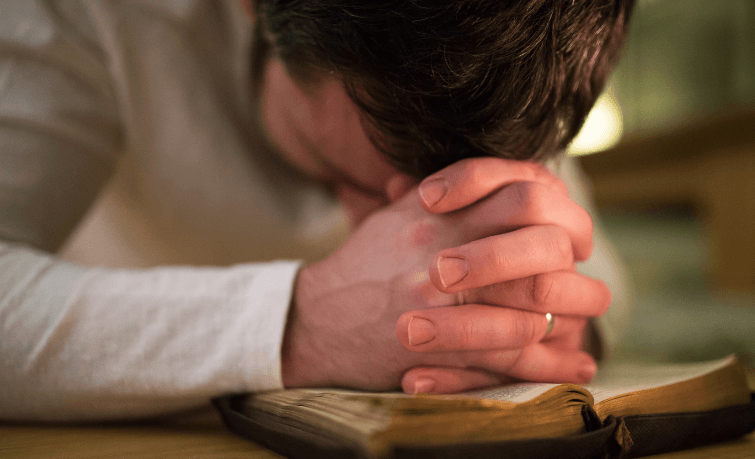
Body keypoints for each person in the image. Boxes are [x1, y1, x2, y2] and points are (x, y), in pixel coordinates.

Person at [0, 0, 634, 420]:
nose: (402, 230)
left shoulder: (515, 54)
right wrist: (298, 324)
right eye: (334, 168)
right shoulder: (83, 14)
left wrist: (534, 314)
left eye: (445, 190)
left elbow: (600, 274)